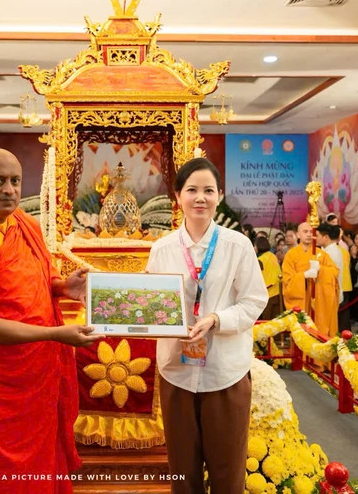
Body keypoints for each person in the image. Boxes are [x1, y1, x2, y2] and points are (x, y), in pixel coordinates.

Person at [0, 148, 102, 494]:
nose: (8, 190)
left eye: (14, 181)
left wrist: (63, 287)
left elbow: (36, 283)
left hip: (34, 382)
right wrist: (56, 334)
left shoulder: (26, 224)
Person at [146, 157, 267, 494]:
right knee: (182, 472)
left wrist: (216, 319)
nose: (201, 198)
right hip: (177, 372)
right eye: (192, 190)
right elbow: (151, 302)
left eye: (208, 191)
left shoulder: (237, 245)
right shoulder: (162, 249)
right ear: (178, 196)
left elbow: (255, 301)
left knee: (228, 471)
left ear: (219, 195)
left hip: (224, 372)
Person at [282, 222, 340, 337]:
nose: (309, 234)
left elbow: (335, 273)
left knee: (319, 334)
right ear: (298, 235)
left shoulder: (321, 254)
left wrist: (321, 269)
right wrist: (304, 275)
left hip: (319, 303)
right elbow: (287, 281)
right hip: (302, 301)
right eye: (305, 232)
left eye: (311, 232)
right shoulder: (291, 255)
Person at [256, 236, 282, 320]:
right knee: (276, 320)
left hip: (268, 294)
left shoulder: (260, 260)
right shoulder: (272, 255)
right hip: (278, 292)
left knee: (267, 321)